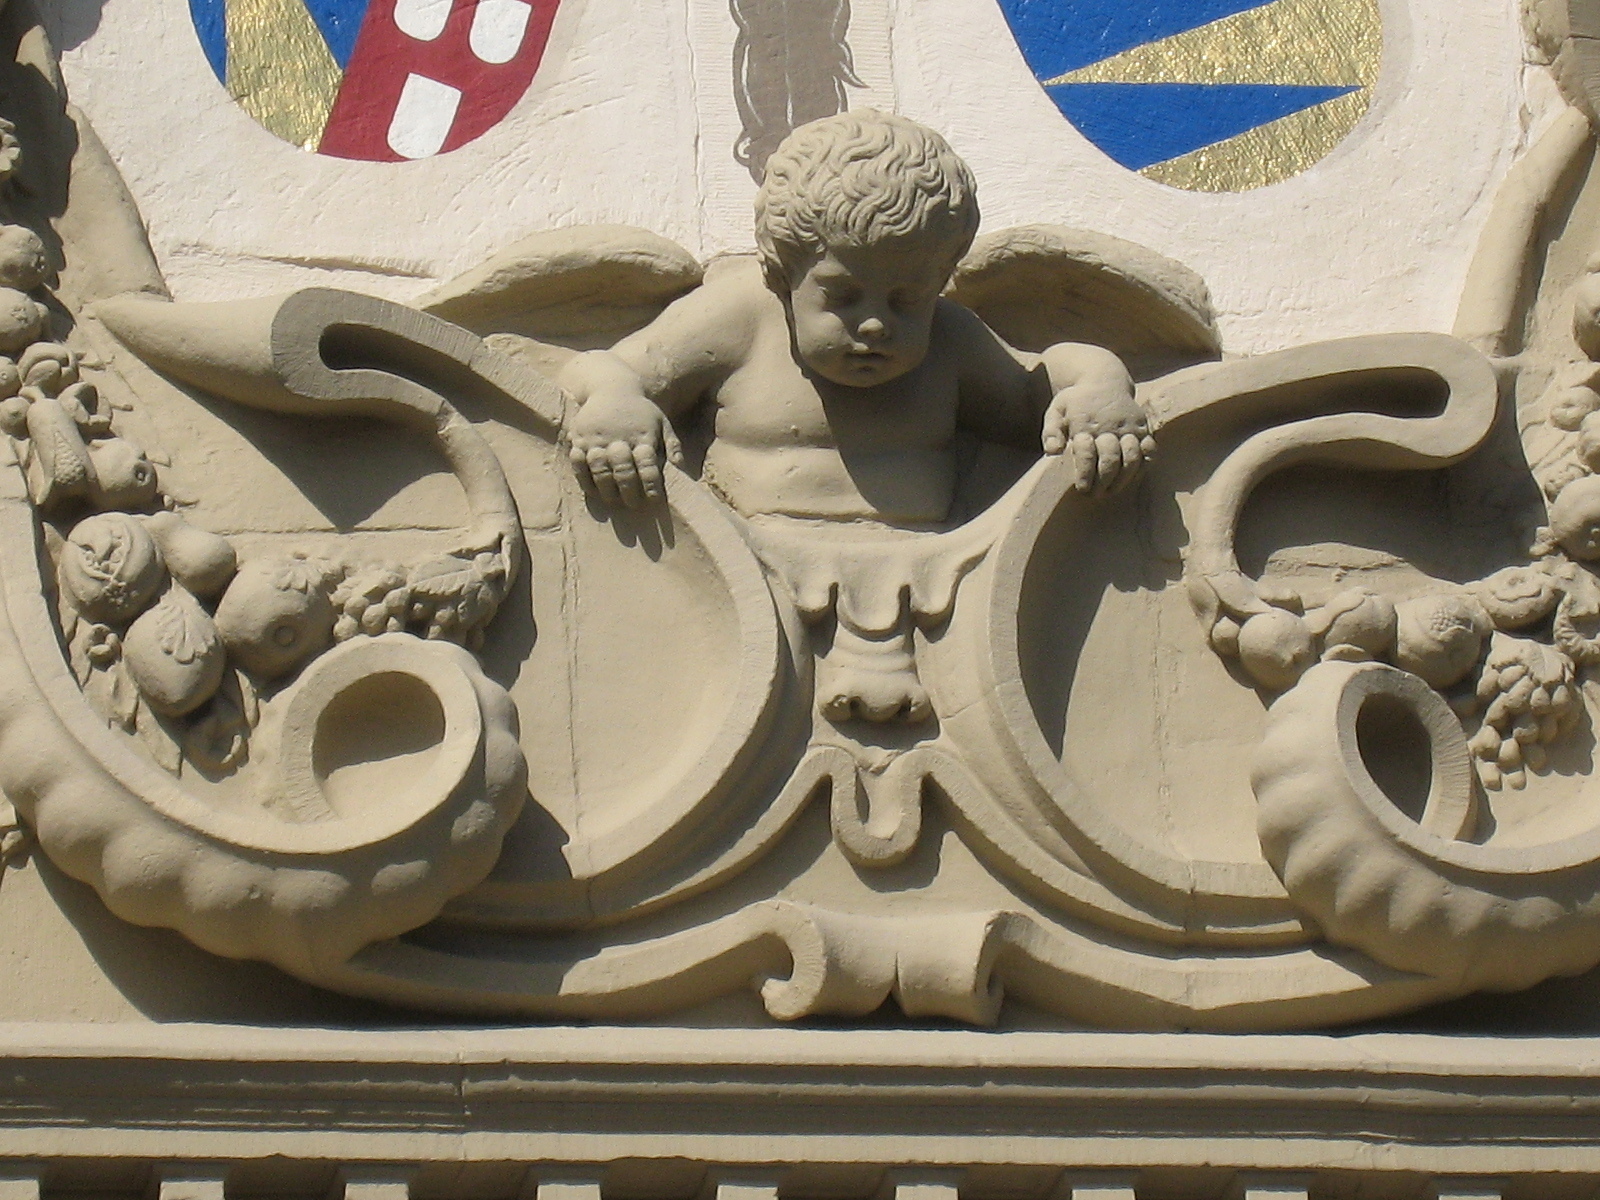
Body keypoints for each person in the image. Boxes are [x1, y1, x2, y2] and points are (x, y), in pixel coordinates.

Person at [561, 108, 1152, 526]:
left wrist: (1100, 383)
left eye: (906, 300)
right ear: (782, 276)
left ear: (939, 282)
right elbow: (604, 369)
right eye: (842, 297)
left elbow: (1036, 389)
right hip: (754, 579)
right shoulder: (741, 316)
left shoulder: (949, 337)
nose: (874, 324)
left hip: (935, 580)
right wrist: (614, 400)